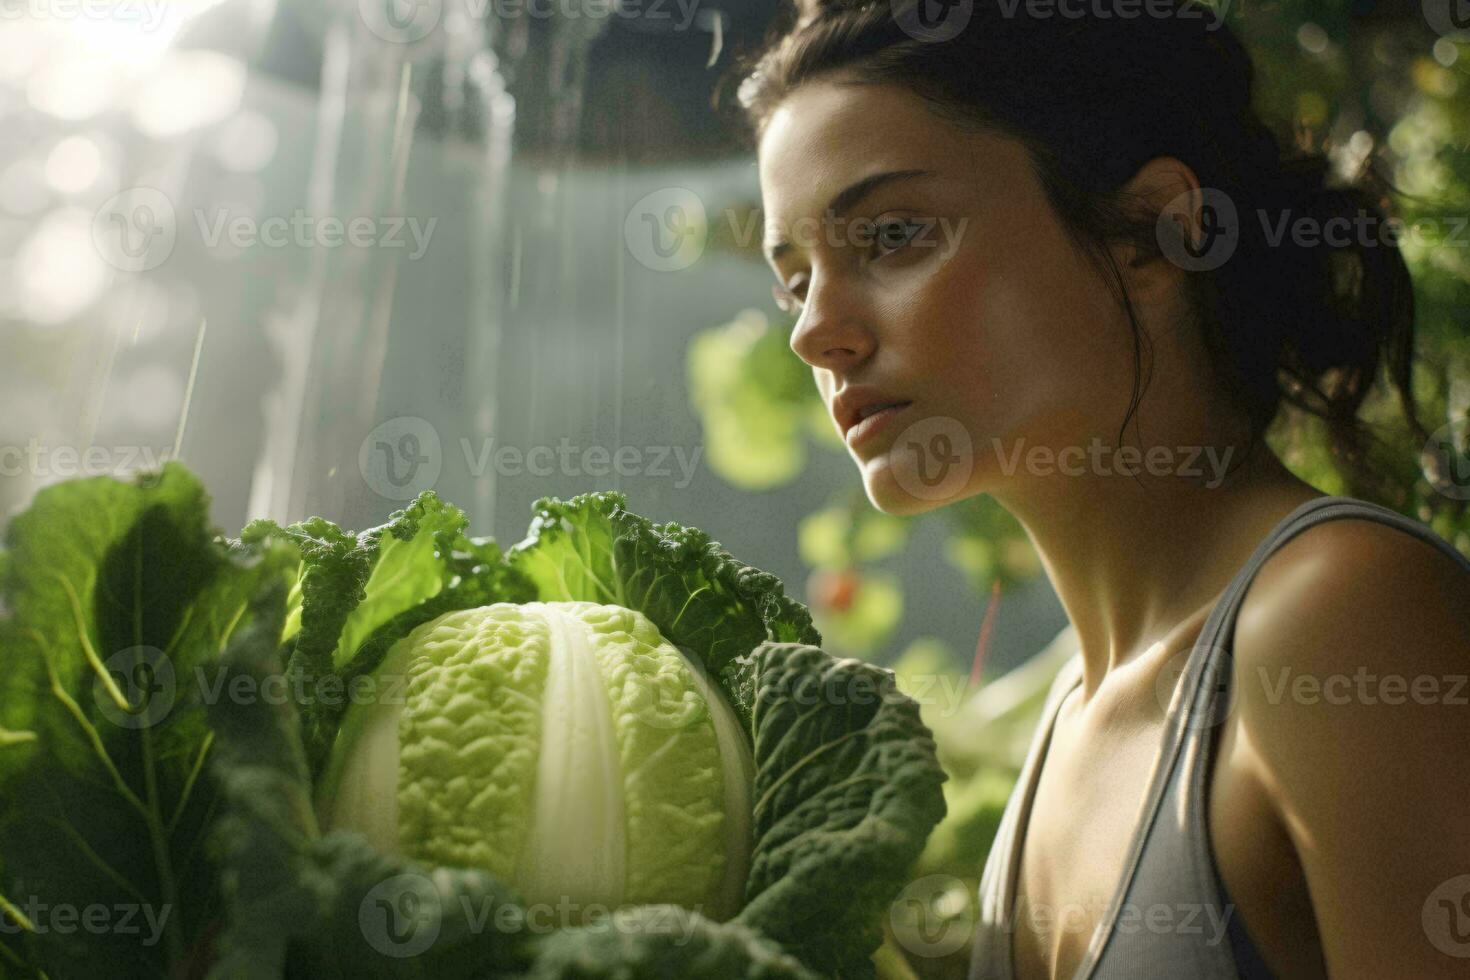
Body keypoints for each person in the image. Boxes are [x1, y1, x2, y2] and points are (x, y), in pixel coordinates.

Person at [726, 2, 1470, 978]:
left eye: (893, 234)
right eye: (795, 279)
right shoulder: (1066, 719)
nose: (814, 330)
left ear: (1156, 232)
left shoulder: (1340, 612)